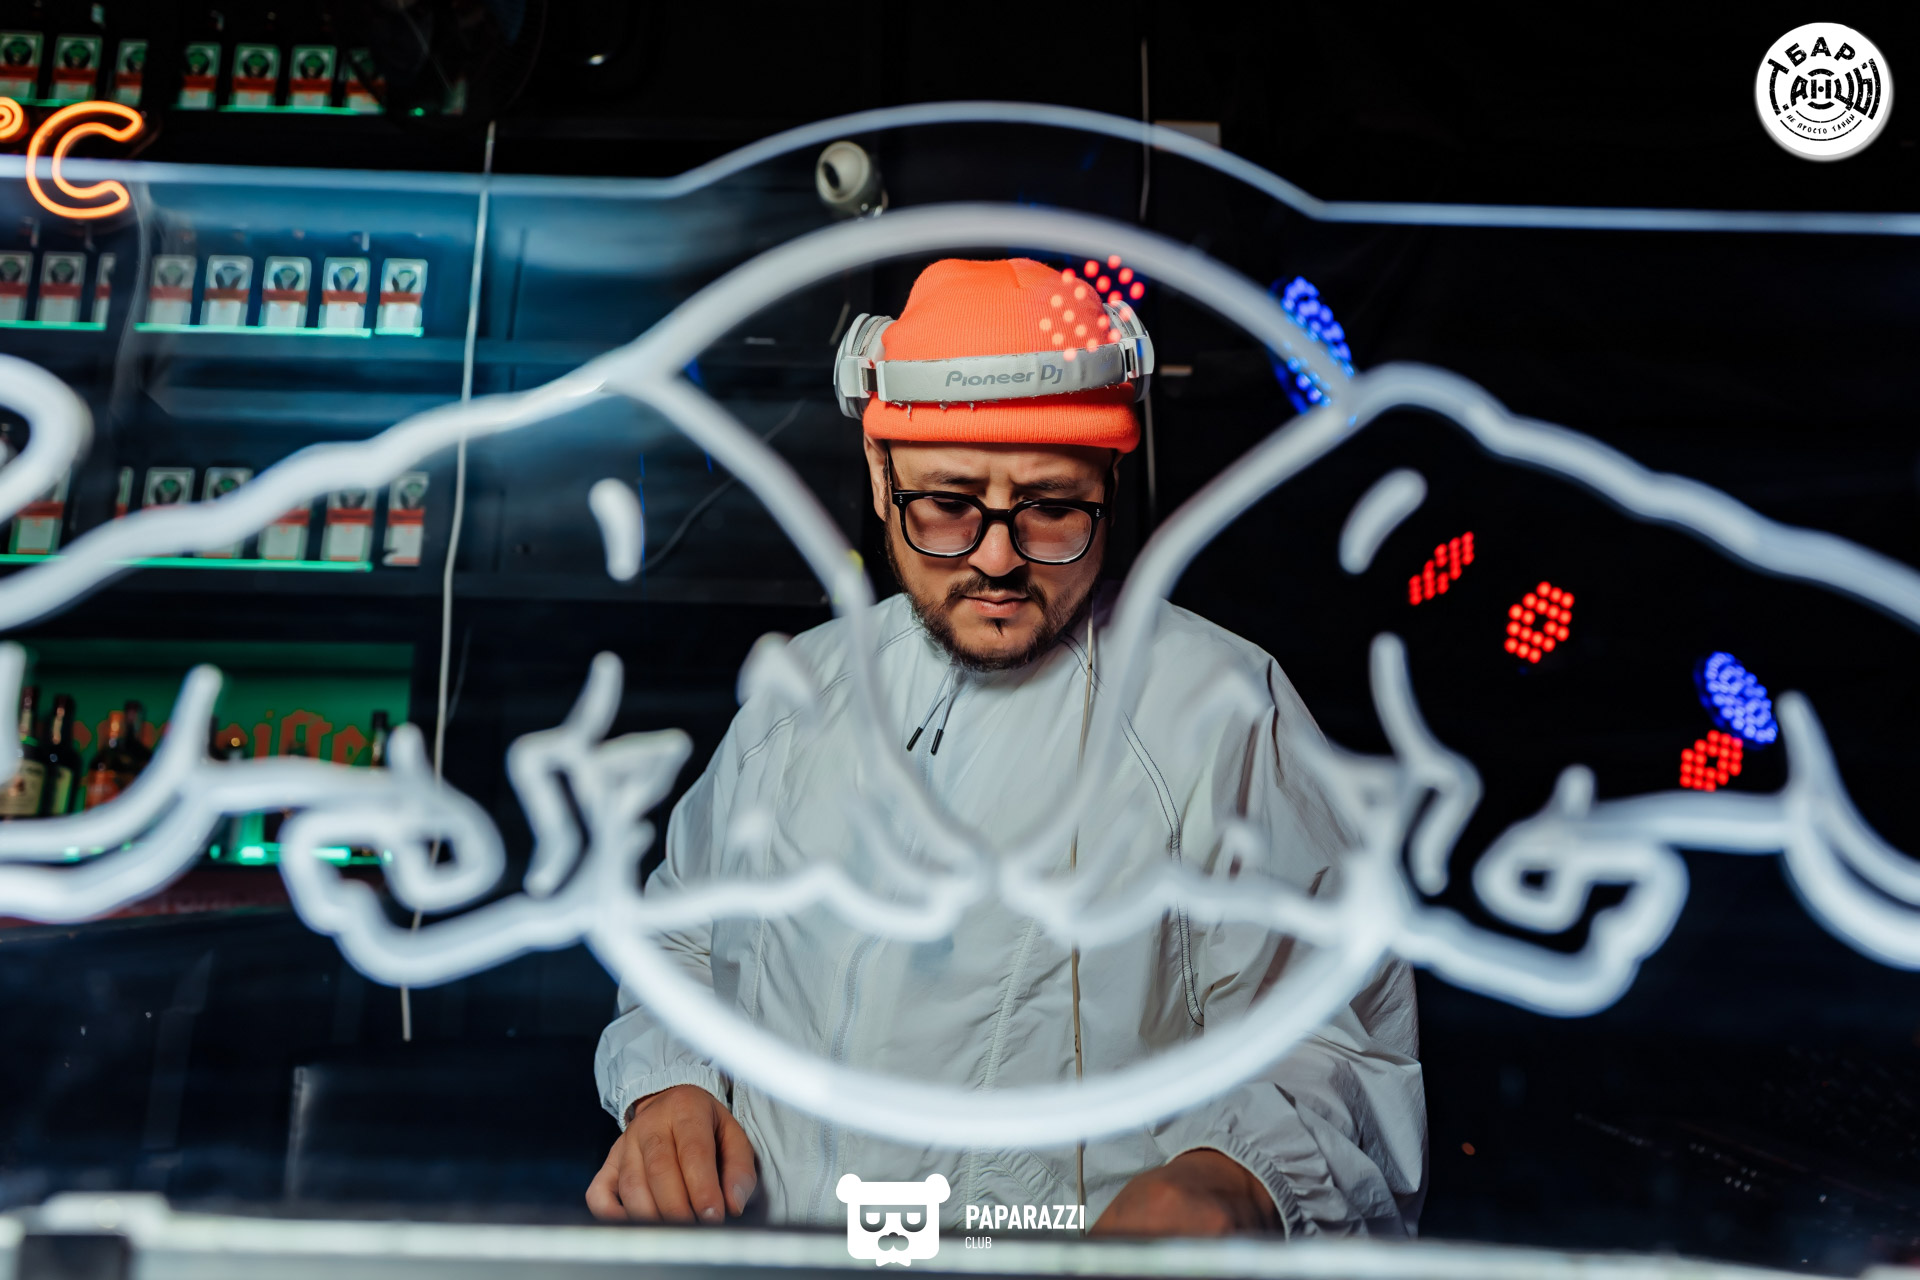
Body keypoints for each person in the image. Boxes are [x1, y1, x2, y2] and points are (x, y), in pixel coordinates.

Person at [588, 258, 1426, 1235]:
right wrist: (672, 1090)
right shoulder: (799, 696)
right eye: (949, 503)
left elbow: (1337, 1043)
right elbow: (683, 941)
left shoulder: (1220, 712)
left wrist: (1231, 1180)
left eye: (1051, 507)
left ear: (1112, 483)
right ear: (880, 474)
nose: (997, 558)